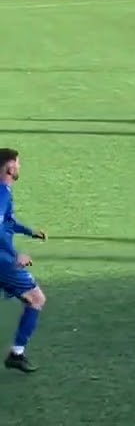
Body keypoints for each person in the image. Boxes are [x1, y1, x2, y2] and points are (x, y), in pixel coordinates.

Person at [0, 148, 47, 373]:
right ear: (9, 167)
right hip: (3, 260)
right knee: (36, 298)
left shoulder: (4, 192)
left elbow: (7, 222)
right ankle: (17, 354)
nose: (19, 167)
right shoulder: (1, 193)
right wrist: (15, 255)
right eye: (17, 164)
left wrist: (30, 232)